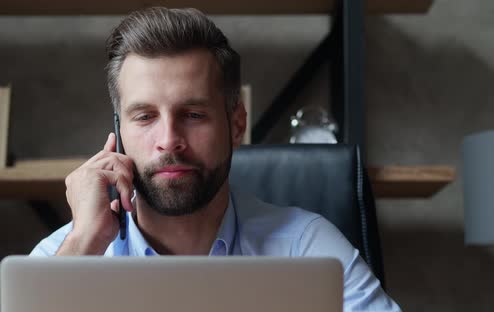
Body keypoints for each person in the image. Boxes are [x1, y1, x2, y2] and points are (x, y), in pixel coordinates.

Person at [30, 7, 401, 311]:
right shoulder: (67, 255)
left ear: (236, 125)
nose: (169, 141)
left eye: (193, 114)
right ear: (118, 132)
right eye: (144, 117)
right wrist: (83, 246)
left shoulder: (306, 249)